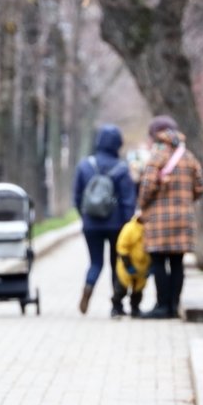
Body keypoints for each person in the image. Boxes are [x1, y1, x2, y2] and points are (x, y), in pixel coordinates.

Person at [138, 115, 203, 319]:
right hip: (184, 218)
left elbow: (147, 187)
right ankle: (175, 305)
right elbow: (200, 187)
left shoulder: (157, 155)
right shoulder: (189, 156)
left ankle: (162, 306)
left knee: (158, 261)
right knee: (177, 262)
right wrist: (185, 200)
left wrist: (142, 205)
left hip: (160, 219)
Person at [73, 124, 136, 316]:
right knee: (116, 263)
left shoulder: (85, 165)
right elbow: (128, 200)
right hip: (116, 224)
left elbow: (77, 196)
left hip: (91, 224)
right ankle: (116, 306)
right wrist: (127, 224)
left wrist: (85, 216)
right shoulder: (122, 169)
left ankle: (88, 288)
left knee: (95, 262)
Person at [114, 213, 151, 318]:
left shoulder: (150, 229)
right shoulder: (130, 228)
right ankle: (116, 307)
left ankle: (135, 309)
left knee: (138, 291)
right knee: (121, 289)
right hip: (127, 266)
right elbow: (122, 246)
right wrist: (127, 263)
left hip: (142, 268)